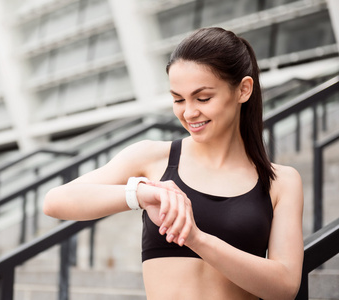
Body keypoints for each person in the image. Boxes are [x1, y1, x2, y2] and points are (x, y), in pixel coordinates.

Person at [43, 27, 304, 300]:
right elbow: (56, 201)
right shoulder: (152, 158)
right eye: (178, 99)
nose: (189, 112)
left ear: (243, 90)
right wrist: (140, 194)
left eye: (203, 98)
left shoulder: (280, 182)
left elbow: (284, 286)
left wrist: (197, 239)